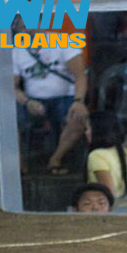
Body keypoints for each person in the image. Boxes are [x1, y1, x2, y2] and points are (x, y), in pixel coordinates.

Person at [13, 23, 89, 174]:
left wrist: (79, 101)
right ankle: (20, 168)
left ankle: (55, 159)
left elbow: (80, 76)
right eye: (21, 27)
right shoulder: (16, 51)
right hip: (33, 100)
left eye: (29, 24)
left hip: (66, 97)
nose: (26, 30)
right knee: (9, 120)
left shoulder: (63, 41)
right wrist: (27, 101)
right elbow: (11, 87)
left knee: (78, 117)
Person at [86, 111, 127, 198]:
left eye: (88, 128)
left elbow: (108, 192)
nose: (86, 132)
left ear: (99, 129)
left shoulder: (96, 156)